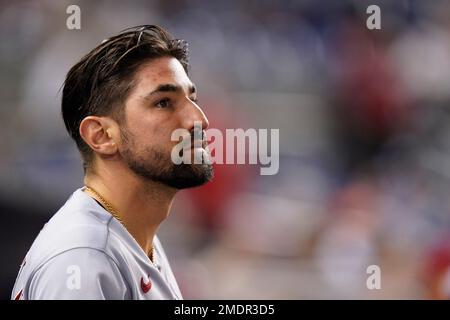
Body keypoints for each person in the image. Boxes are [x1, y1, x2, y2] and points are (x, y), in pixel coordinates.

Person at [11, 25, 213, 300]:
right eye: (164, 102)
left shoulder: (133, 235)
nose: (199, 120)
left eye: (192, 98)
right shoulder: (85, 258)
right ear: (102, 135)